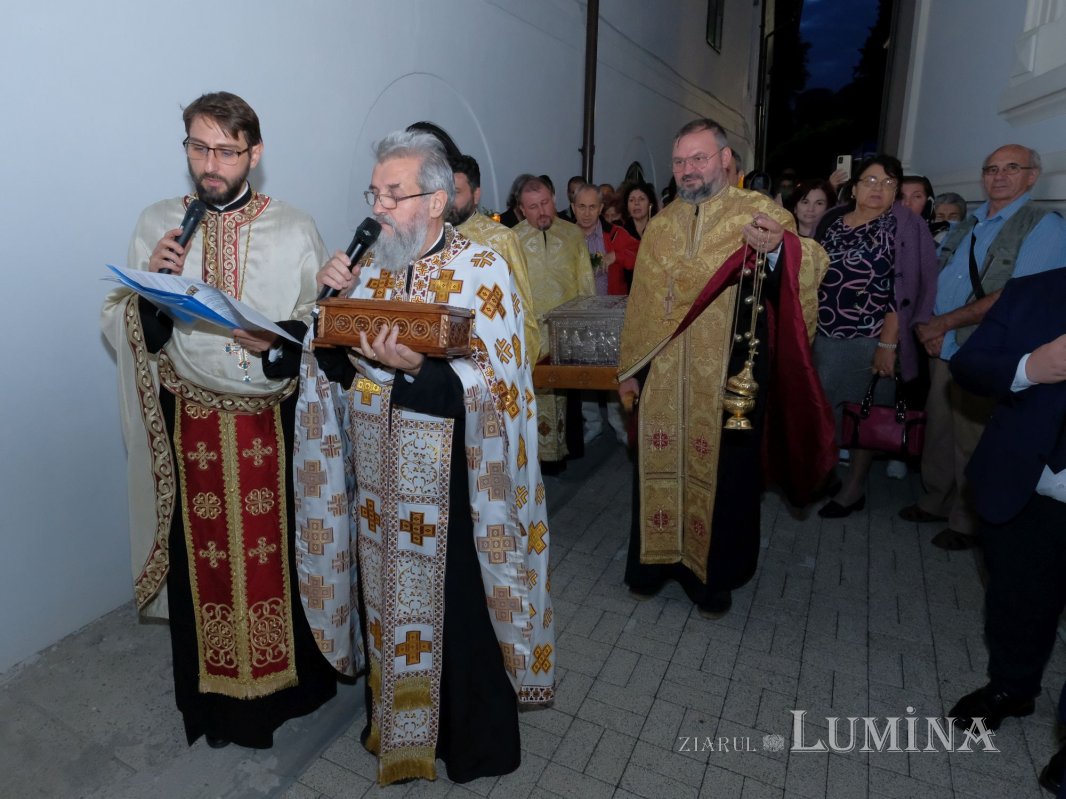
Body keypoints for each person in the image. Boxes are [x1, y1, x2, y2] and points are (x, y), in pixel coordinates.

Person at [301, 130, 555, 784]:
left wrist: (419, 371)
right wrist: (326, 308)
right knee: (392, 609)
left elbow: (501, 393)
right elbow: (334, 369)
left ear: (436, 200)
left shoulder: (483, 270)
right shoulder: (375, 270)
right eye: (374, 192)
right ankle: (403, 728)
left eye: (395, 193)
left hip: (457, 486)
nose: (378, 207)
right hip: (383, 483)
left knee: (460, 618)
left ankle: (473, 743)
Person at [101, 91, 337, 749]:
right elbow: (126, 323)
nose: (211, 162)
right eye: (198, 147)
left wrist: (281, 341)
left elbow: (318, 321)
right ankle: (212, 704)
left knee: (274, 561)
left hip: (269, 425)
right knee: (200, 562)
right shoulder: (160, 224)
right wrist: (150, 293)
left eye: (226, 150)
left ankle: (281, 695)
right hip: (191, 425)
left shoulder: (294, 227)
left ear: (253, 154)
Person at [616, 118, 834, 618]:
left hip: (731, 377)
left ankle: (712, 576)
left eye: (699, 158)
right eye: (679, 161)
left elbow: (813, 260)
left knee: (728, 478)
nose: (688, 169)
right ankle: (656, 564)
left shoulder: (756, 211)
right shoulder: (663, 224)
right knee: (658, 464)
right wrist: (628, 369)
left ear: (724, 159)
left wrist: (779, 248)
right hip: (665, 376)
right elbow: (642, 303)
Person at [899, 144, 1066, 550]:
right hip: (944, 345)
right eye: (991, 168)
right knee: (939, 428)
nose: (999, 176)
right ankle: (935, 498)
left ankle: (967, 520)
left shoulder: (1043, 225)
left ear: (1032, 176)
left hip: (987, 352)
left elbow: (1016, 297)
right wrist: (928, 325)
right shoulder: (969, 222)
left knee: (972, 437)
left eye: (1012, 167)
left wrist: (943, 323)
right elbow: (934, 276)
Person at [946, 267, 1066, 742]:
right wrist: (1028, 368)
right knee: (1017, 597)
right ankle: (1012, 687)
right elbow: (970, 363)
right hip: (1027, 483)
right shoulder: (1035, 289)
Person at [811, 155, 939, 517]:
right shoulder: (833, 222)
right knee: (826, 411)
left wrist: (887, 345)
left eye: (887, 183)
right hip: (825, 335)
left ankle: (853, 489)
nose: (877, 189)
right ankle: (827, 474)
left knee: (863, 413)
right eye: (869, 180)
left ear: (896, 190)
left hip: (870, 338)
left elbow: (905, 290)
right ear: (853, 188)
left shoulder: (904, 228)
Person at [515, 174, 595, 462]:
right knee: (532, 396)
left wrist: (587, 326)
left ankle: (567, 454)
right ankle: (534, 458)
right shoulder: (513, 239)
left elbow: (586, 280)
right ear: (522, 210)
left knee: (568, 396)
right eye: (533, 206)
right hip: (530, 332)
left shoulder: (573, 234)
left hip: (566, 329)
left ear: (555, 200)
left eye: (545, 203)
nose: (542, 211)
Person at [447, 153, 541, 360]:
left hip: (488, 359)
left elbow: (523, 313)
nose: (447, 200)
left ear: (476, 194)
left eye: (455, 192)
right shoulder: (429, 237)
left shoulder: (501, 240)